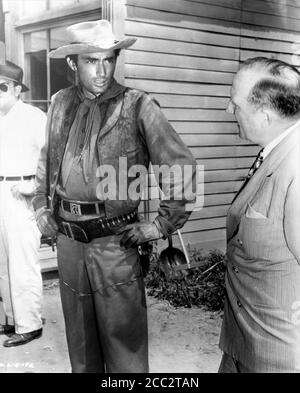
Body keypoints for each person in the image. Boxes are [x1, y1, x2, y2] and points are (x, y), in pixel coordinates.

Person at [33, 20, 197, 373]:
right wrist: (41, 207)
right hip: (69, 243)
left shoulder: (138, 105)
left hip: (115, 243)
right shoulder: (60, 103)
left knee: (124, 347)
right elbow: (47, 159)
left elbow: (180, 166)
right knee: (81, 346)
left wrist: (161, 225)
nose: (103, 70)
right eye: (92, 61)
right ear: (73, 63)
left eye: (109, 60)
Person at [219, 57, 300, 373]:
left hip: (277, 355)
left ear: (265, 116)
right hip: (244, 344)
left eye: (235, 104)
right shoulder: (277, 149)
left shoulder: (296, 168)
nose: (229, 111)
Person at [0, 44, 46, 347]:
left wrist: (35, 185)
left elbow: (53, 158)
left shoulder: (33, 117)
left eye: (2, 86)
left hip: (22, 194)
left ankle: (30, 324)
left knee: (22, 261)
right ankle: (10, 319)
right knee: (3, 261)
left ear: (17, 89)